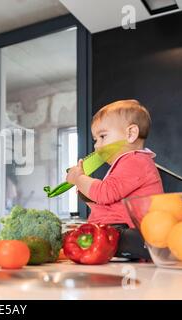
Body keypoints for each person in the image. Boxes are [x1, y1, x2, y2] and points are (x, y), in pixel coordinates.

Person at [66, 99, 164, 259]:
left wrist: (79, 178)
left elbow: (106, 193)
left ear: (131, 134)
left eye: (102, 136)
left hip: (130, 231)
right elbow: (106, 201)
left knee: (121, 238)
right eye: (95, 140)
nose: (97, 146)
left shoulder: (136, 160)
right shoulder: (123, 164)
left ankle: (143, 248)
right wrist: (84, 188)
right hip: (111, 229)